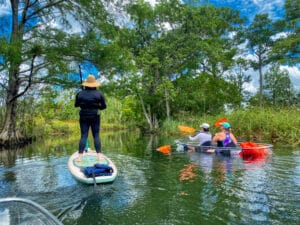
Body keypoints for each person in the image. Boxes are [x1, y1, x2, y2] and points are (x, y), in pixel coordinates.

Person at [75, 74, 107, 162]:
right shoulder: (99, 93)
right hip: (95, 116)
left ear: (86, 84)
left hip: (83, 115)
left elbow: (76, 105)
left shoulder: (80, 93)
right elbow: (104, 106)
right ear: (94, 84)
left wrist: (83, 99)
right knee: (96, 135)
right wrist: (97, 107)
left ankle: (80, 157)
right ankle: (99, 157)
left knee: (83, 136)